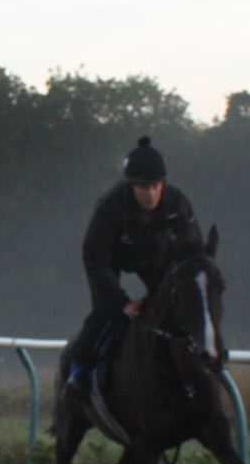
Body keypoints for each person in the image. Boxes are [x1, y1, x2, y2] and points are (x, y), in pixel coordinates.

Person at [65, 136, 200, 394]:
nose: (150, 194)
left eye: (155, 186)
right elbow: (94, 257)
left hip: (152, 254)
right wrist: (121, 302)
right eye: (142, 187)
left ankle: (194, 364)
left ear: (164, 183)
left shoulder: (177, 203)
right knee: (105, 310)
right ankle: (78, 370)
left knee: (175, 304)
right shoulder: (110, 205)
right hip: (110, 258)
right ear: (131, 186)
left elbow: (192, 252)